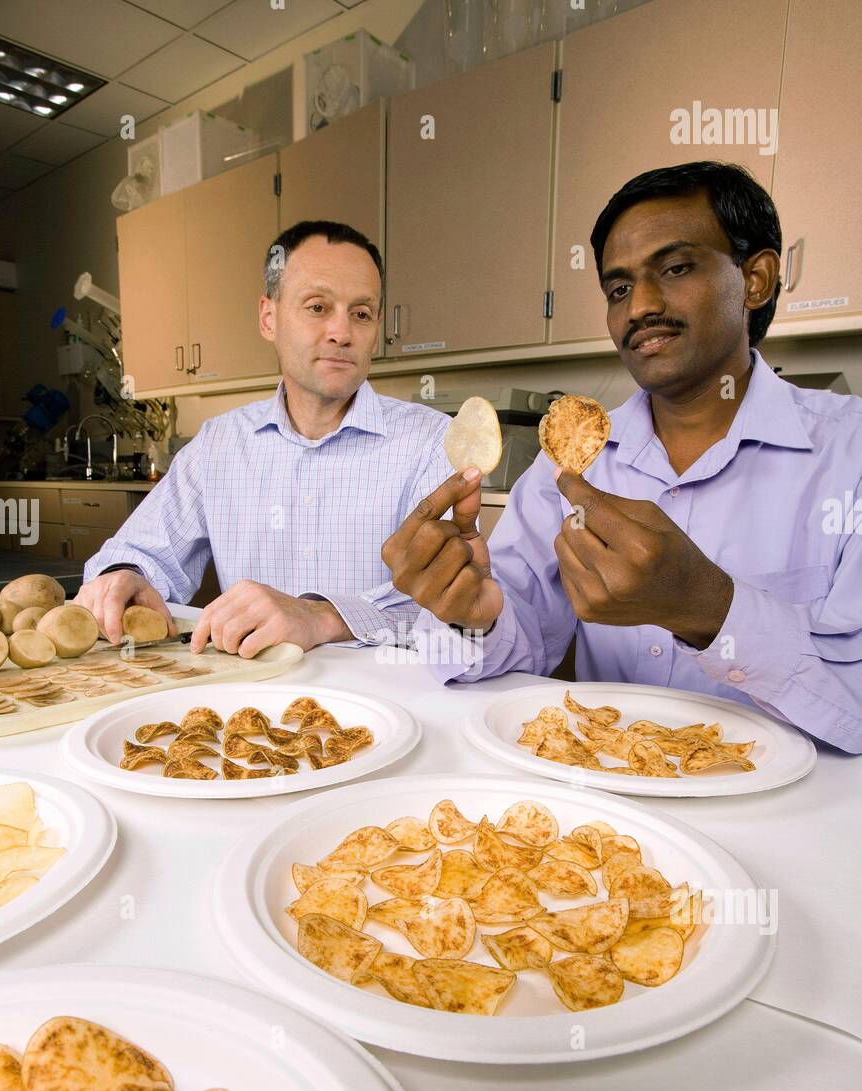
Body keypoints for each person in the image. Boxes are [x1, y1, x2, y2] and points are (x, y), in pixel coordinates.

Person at [382, 162, 862, 753]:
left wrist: (706, 607)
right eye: (619, 288)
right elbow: (518, 634)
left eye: (676, 267)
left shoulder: (849, 458)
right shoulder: (569, 464)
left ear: (756, 279)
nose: (640, 307)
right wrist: (472, 617)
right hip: (600, 809)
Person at [76, 221, 450, 658]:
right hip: (246, 703)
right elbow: (140, 550)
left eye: (361, 313)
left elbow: (448, 607)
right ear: (268, 318)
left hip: (389, 702)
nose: (342, 332)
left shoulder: (430, 442)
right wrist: (126, 575)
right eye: (317, 307)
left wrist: (320, 617)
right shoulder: (220, 444)